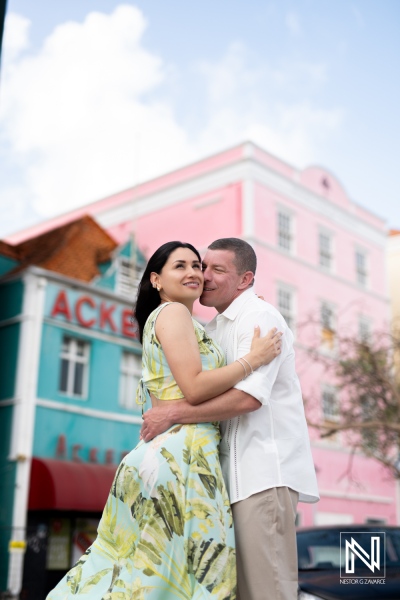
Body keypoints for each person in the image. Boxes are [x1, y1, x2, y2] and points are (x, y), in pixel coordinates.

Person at [46, 241, 282, 600]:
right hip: (182, 456)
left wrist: (246, 309)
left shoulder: (183, 322)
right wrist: (254, 358)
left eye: (196, 266)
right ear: (156, 279)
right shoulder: (173, 314)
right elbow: (195, 387)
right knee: (192, 578)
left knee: (146, 573)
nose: (193, 273)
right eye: (180, 266)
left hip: (169, 451)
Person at [141, 238, 320, 600]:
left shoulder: (260, 317)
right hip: (223, 482)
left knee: (266, 590)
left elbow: (248, 397)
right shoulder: (213, 327)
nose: (203, 276)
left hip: (261, 475)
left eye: (216, 269)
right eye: (201, 266)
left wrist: (174, 412)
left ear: (245, 280)